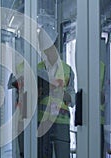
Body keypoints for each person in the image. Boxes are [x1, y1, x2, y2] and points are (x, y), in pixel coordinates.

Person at [37, 24, 75, 158]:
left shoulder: (67, 70)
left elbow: (73, 99)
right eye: (44, 49)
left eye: (48, 48)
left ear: (55, 45)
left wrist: (59, 92)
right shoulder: (38, 69)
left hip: (61, 122)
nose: (46, 52)